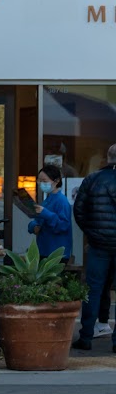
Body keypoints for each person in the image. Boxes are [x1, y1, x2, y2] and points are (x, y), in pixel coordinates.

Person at [71, 145, 116, 351]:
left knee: (92, 290)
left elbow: (79, 210)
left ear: (107, 157)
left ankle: (86, 336)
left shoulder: (92, 179)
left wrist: (91, 232)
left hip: (98, 244)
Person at [28, 163, 73, 263]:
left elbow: (63, 226)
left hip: (56, 252)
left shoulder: (62, 201)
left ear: (56, 181)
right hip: (44, 250)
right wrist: (33, 226)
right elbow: (37, 221)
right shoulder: (47, 200)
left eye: (44, 181)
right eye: (39, 180)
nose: (40, 183)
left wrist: (46, 213)